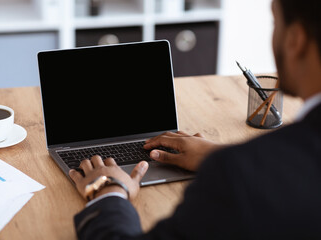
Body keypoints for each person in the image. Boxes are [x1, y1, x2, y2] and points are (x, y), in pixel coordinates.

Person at [69, 0, 321, 238]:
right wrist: (220, 155)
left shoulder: (236, 177)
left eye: (275, 22)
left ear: (295, 40)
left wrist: (109, 192)